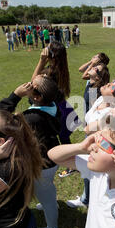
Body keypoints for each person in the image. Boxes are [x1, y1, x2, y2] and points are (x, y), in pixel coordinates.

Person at [0, 77, 62, 228]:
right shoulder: (52, 105)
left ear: (38, 97)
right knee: (47, 190)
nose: (28, 85)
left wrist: (16, 95)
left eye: (32, 86)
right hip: (51, 158)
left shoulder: (31, 117)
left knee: (47, 198)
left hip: (42, 164)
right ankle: (50, 202)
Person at [66, 80, 115, 209]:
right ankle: (86, 198)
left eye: (112, 86)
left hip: (102, 150)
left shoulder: (113, 113)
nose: (109, 83)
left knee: (98, 179)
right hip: (91, 144)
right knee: (88, 176)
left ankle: (95, 203)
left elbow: (88, 129)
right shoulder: (100, 100)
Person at [31, 43, 81, 178]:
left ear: (51, 54)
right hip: (63, 108)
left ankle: (74, 165)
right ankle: (75, 163)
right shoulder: (60, 68)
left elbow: (33, 83)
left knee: (63, 140)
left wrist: (41, 61)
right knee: (65, 139)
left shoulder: (51, 72)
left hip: (58, 110)